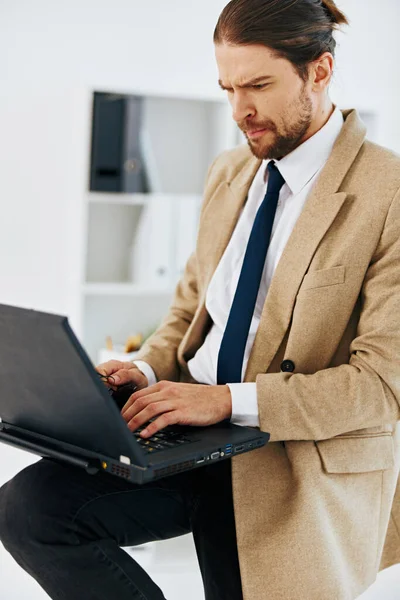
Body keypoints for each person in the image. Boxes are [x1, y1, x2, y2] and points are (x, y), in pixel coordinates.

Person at [1, 0, 400, 598]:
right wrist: (141, 369)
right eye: (228, 87)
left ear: (319, 71)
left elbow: (383, 385)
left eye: (259, 85)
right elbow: (191, 311)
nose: (241, 110)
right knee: (31, 510)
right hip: (193, 436)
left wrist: (223, 401)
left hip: (287, 457)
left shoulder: (386, 192)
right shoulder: (230, 171)